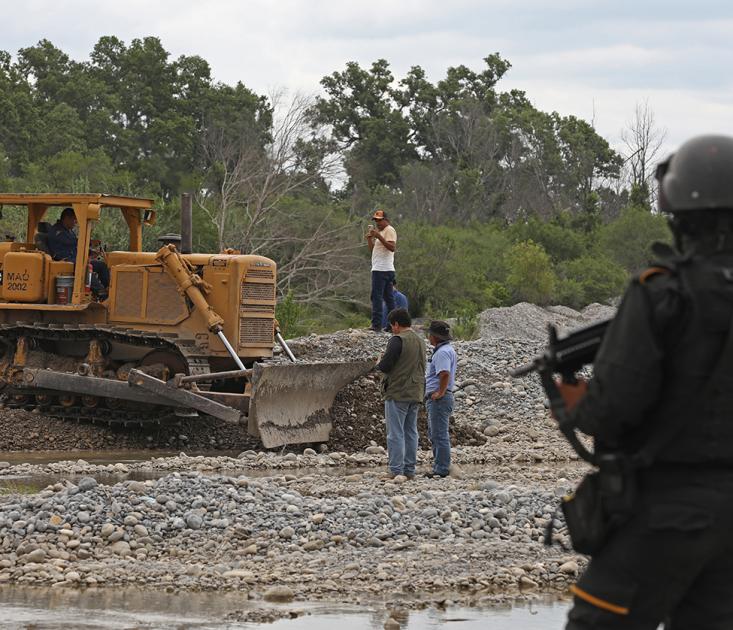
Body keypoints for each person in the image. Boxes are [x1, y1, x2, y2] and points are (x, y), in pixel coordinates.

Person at [558, 134, 733, 629]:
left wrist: (572, 402)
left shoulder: (661, 292)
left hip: (667, 510)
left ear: (679, 214)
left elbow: (613, 407)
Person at [376, 307, 426, 479]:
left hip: (398, 392)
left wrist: (378, 363)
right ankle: (409, 470)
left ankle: (396, 469)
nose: (392, 330)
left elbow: (386, 366)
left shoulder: (397, 340)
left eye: (391, 326)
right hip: (416, 391)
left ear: (396, 324)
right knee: (411, 431)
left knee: (395, 432)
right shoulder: (421, 341)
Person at [47, 207, 110, 296]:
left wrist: (90, 252)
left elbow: (75, 247)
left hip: (74, 258)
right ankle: (100, 291)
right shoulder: (57, 231)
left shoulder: (69, 231)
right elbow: (71, 242)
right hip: (64, 259)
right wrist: (89, 242)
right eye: (74, 219)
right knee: (84, 266)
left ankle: (109, 288)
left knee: (101, 265)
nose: (75, 222)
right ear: (67, 218)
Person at [424, 320, 457, 479]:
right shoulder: (446, 350)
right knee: (436, 432)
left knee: (439, 434)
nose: (428, 337)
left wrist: (440, 392)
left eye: (430, 334)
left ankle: (441, 468)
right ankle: (440, 465)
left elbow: (444, 373)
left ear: (435, 336)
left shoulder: (442, 352)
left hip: (439, 399)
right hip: (440, 397)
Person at [366, 209, 396, 332]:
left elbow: (392, 247)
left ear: (386, 220)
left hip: (381, 270)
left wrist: (378, 236)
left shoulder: (389, 230)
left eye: (379, 220)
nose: (377, 223)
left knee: (377, 297)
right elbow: (374, 250)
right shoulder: (382, 232)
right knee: (389, 298)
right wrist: (370, 239)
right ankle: (392, 325)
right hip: (384, 268)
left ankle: (376, 325)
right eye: (376, 220)